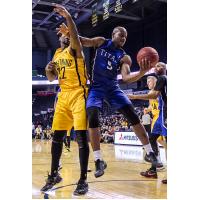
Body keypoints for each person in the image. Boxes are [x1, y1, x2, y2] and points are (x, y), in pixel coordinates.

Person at [57, 24, 158, 177]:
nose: (123, 38)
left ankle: (149, 152)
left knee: (132, 114)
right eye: (121, 34)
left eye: (125, 36)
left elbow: (126, 78)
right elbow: (82, 41)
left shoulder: (125, 57)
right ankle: (98, 160)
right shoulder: (101, 42)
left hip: (113, 88)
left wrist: (142, 72)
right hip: (96, 87)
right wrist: (70, 33)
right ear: (113, 34)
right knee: (92, 115)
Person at [41, 4, 89, 195]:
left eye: (69, 34)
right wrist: (47, 70)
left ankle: (83, 179)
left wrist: (68, 16)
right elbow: (52, 78)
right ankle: (54, 174)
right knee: (57, 138)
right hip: (63, 95)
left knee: (81, 138)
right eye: (64, 34)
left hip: (79, 93)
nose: (66, 35)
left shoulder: (75, 49)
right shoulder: (57, 53)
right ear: (59, 37)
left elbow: (75, 35)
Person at [128, 62, 167, 183]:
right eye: (156, 66)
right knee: (153, 140)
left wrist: (134, 97)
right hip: (160, 117)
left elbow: (153, 95)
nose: (157, 67)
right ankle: (154, 167)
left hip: (164, 116)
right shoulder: (161, 83)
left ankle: (158, 164)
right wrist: (147, 109)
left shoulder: (162, 79)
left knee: (163, 142)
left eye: (160, 66)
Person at [143, 76, 165, 170]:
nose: (148, 83)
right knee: (158, 140)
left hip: (161, 117)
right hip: (155, 118)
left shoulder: (158, 92)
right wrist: (147, 109)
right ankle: (157, 162)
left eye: (149, 81)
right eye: (147, 81)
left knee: (154, 139)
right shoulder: (150, 93)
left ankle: (157, 162)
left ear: (155, 82)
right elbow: (152, 105)